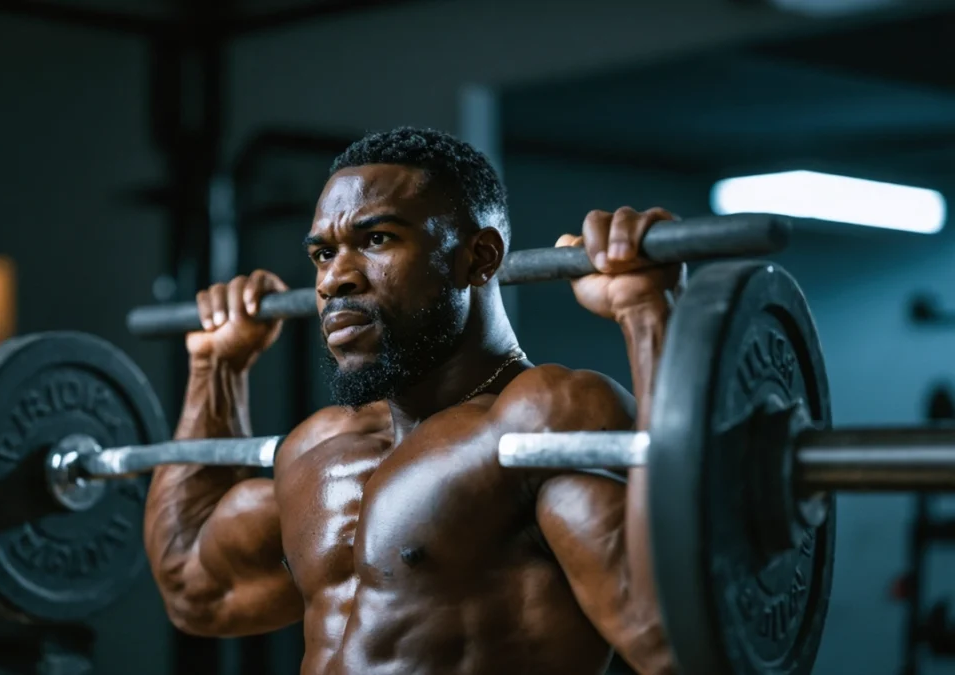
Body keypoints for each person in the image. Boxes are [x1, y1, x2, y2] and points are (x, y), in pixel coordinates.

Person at [143, 127, 685, 675]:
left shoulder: (544, 420)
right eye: (324, 253)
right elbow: (195, 591)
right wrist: (216, 367)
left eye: (376, 239)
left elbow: (668, 637)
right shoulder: (321, 446)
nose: (335, 279)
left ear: (479, 258)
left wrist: (647, 312)